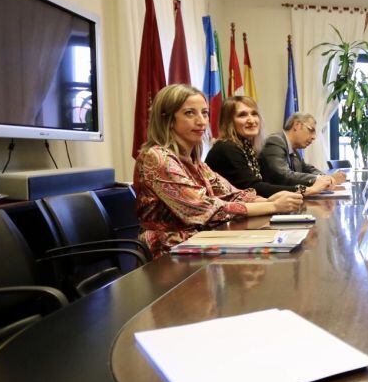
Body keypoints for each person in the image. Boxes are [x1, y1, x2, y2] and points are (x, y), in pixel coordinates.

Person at [134, 84, 303, 256]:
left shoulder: (193, 160)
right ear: (167, 119)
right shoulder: (157, 158)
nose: (201, 121)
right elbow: (203, 209)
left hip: (199, 243)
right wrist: (272, 206)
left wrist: (266, 201)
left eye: (205, 113)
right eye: (189, 113)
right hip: (167, 254)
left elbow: (230, 193)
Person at [206, 96, 332, 197]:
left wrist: (322, 180)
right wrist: (306, 190)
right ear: (229, 121)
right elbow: (255, 188)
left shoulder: (247, 148)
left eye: (254, 114)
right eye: (242, 115)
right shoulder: (227, 148)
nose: (251, 120)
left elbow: (262, 185)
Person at [260, 112, 347, 187]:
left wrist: (328, 177)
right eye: (311, 130)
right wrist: (324, 179)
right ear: (297, 125)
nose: (314, 137)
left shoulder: (294, 150)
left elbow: (308, 169)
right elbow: (284, 175)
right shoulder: (275, 141)